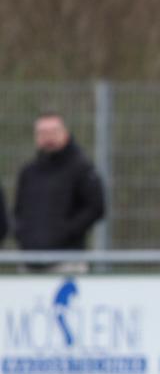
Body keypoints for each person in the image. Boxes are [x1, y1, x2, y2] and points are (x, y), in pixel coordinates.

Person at [14, 113, 104, 271]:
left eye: (53, 132)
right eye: (43, 133)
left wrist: (66, 231)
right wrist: (23, 235)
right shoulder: (29, 172)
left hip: (67, 262)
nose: (48, 138)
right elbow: (18, 211)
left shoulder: (81, 168)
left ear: (65, 133)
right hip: (30, 260)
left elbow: (96, 208)